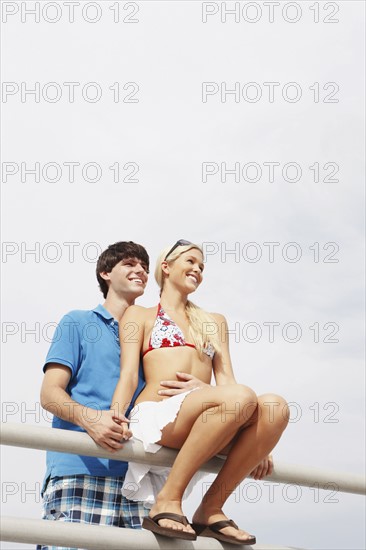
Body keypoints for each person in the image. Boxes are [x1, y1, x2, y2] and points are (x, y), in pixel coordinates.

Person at [111, 240, 290, 545]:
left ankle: (211, 509)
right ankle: (168, 501)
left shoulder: (214, 322)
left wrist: (260, 443)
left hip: (210, 414)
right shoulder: (138, 315)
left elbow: (228, 381)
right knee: (242, 396)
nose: (197, 269)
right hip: (158, 416)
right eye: (191, 261)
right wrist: (116, 414)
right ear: (166, 267)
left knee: (275, 407)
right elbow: (128, 374)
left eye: (202, 267)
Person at [39, 241, 206, 549]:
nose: (140, 270)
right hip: (81, 471)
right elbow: (49, 394)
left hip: (139, 477)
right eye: (129, 264)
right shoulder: (78, 322)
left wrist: (202, 389)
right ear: (105, 273)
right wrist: (91, 420)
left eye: (144, 265)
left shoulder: (154, 338)